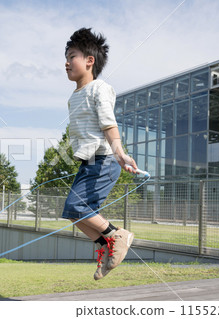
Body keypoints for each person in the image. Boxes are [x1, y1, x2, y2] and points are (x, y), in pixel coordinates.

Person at [62, 28, 138, 280]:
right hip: (88, 162)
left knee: (77, 206)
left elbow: (108, 124)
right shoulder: (74, 97)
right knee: (73, 213)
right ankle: (107, 247)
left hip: (104, 160)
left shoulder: (99, 89)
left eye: (71, 56)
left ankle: (118, 236)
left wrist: (120, 154)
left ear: (89, 60)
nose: (66, 62)